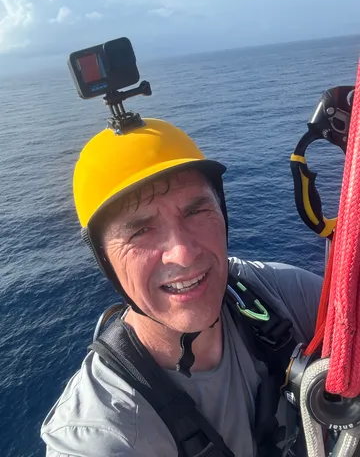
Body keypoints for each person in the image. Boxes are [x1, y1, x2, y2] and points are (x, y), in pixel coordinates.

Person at [40, 117, 323, 456]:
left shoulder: (275, 294)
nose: (184, 254)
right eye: (139, 231)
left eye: (196, 210)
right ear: (105, 260)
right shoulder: (98, 431)